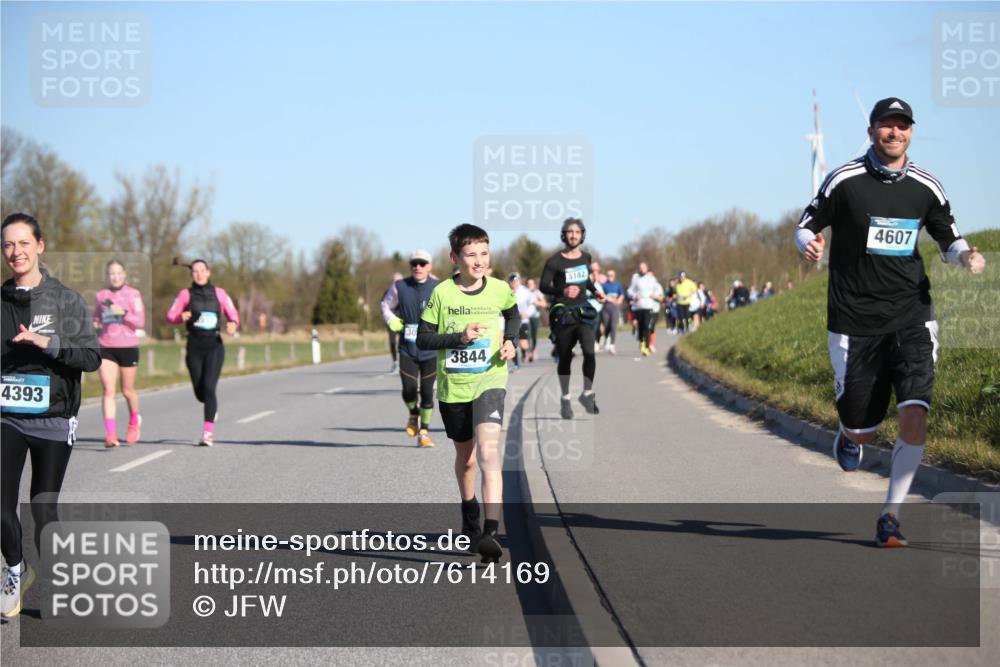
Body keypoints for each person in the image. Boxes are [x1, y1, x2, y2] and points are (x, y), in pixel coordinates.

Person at [797, 96, 986, 547]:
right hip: (854, 320)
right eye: (887, 126)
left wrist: (967, 256)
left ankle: (890, 516)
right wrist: (806, 242)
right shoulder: (844, 180)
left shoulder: (926, 186)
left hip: (911, 315)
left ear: (911, 133)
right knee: (863, 425)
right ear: (872, 131)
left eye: (902, 126)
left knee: (915, 412)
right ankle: (850, 433)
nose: (894, 133)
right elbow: (806, 223)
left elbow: (948, 238)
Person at [1, 213, 102, 618]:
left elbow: (92, 357)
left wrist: (49, 343)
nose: (15, 252)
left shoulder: (66, 300)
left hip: (54, 418)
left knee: (42, 507)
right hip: (6, 416)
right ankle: (13, 570)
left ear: (40, 246)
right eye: (8, 244)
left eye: (23, 243)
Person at [416, 224, 519, 563]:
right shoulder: (442, 293)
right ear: (455, 258)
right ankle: (469, 512)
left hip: (490, 379)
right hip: (454, 389)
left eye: (484, 254)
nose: (479, 262)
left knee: (489, 453)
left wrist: (511, 341)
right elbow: (425, 340)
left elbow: (513, 314)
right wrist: (459, 337)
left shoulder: (500, 289)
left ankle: (491, 533)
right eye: (471, 255)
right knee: (468, 458)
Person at [166, 260, 240, 447]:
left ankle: (208, 433)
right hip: (194, 345)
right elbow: (171, 315)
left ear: (209, 272)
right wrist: (179, 317)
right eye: (195, 271)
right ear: (191, 274)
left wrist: (233, 325)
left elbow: (233, 315)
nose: (199, 274)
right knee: (200, 393)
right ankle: (210, 407)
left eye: (202, 271)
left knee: (209, 387)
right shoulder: (185, 294)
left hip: (214, 345)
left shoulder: (220, 293)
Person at [539, 218, 605, 419]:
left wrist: (594, 291)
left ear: (582, 235)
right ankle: (565, 398)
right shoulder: (554, 261)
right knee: (565, 357)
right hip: (563, 314)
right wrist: (563, 290)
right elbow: (543, 286)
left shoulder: (586, 257)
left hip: (584, 311)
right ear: (564, 234)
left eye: (577, 232)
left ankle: (586, 393)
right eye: (570, 232)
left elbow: (586, 280)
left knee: (589, 351)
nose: (573, 235)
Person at [382, 253, 440, 447]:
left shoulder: (438, 287)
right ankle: (413, 412)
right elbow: (385, 305)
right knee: (408, 391)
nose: (418, 267)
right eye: (414, 263)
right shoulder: (400, 286)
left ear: (429, 266)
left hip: (430, 349)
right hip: (408, 348)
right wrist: (392, 320)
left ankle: (424, 432)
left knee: (427, 392)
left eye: (422, 263)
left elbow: (448, 310)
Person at [93, 260, 145, 447]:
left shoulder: (133, 294)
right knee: (108, 390)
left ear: (124, 274)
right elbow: (96, 319)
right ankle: (110, 434)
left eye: (118, 273)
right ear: (107, 276)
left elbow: (140, 322)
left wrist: (122, 312)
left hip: (128, 346)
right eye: (111, 273)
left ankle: (134, 421)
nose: (115, 277)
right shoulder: (101, 296)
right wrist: (94, 324)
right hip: (106, 346)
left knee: (127, 391)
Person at [627, 262, 663, 356]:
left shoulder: (652, 279)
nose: (642, 269)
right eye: (640, 268)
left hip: (648, 306)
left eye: (643, 268)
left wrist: (655, 295)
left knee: (647, 326)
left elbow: (658, 289)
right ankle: (642, 342)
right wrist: (635, 295)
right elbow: (629, 290)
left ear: (647, 268)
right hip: (638, 306)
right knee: (641, 326)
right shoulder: (635, 278)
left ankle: (646, 346)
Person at [509, 273, 536, 369]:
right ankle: (516, 364)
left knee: (524, 344)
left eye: (516, 281)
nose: (514, 283)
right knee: (512, 343)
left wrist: (526, 313)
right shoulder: (508, 293)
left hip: (523, 321)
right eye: (512, 282)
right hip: (511, 322)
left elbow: (532, 305)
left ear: (519, 281)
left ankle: (525, 352)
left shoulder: (525, 292)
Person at [382, 272, 404, 373]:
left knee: (402, 341)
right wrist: (388, 319)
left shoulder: (406, 292)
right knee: (392, 341)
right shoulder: (388, 292)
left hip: (403, 320)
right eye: (394, 281)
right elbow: (383, 306)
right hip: (392, 321)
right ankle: (395, 362)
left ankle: (403, 362)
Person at [600, 269, 624, 354]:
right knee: (607, 326)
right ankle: (606, 338)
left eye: (612, 275)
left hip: (614, 307)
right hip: (606, 307)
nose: (610, 277)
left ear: (614, 276)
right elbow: (600, 295)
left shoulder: (617, 285)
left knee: (613, 325)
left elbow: (621, 294)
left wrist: (619, 300)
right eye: (609, 275)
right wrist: (607, 298)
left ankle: (612, 345)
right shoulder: (603, 285)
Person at [524, 277, 546, 362]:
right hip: (526, 317)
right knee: (527, 334)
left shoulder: (537, 293)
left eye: (531, 284)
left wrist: (535, 302)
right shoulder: (524, 293)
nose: (530, 285)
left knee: (534, 335)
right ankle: (528, 352)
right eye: (528, 284)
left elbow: (544, 304)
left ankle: (534, 349)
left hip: (535, 316)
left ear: (534, 284)